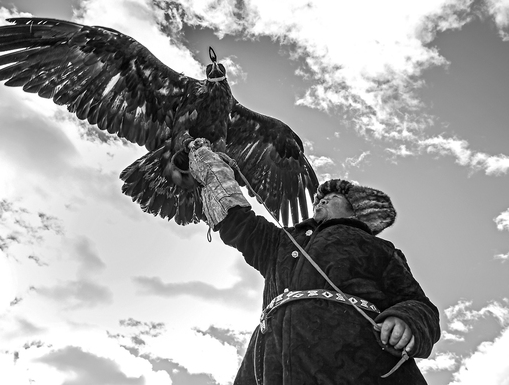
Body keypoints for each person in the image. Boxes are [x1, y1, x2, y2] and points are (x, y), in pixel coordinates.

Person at [188, 139, 440, 385]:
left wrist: (406, 320)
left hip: (357, 358)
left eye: (332, 197)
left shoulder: (376, 247)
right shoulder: (282, 241)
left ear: (355, 210)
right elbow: (238, 223)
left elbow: (416, 302)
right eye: (319, 199)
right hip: (271, 361)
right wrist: (214, 173)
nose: (321, 200)